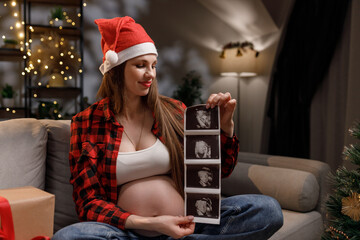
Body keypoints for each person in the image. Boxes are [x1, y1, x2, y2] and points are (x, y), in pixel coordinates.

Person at [52, 16, 283, 240]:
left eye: (153, 65)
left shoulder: (174, 111)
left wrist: (225, 127)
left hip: (190, 222)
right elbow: (88, 202)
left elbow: (217, 172)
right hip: (126, 232)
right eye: (140, 65)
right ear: (115, 69)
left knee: (268, 210)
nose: (150, 74)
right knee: (69, 236)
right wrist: (151, 223)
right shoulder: (87, 123)